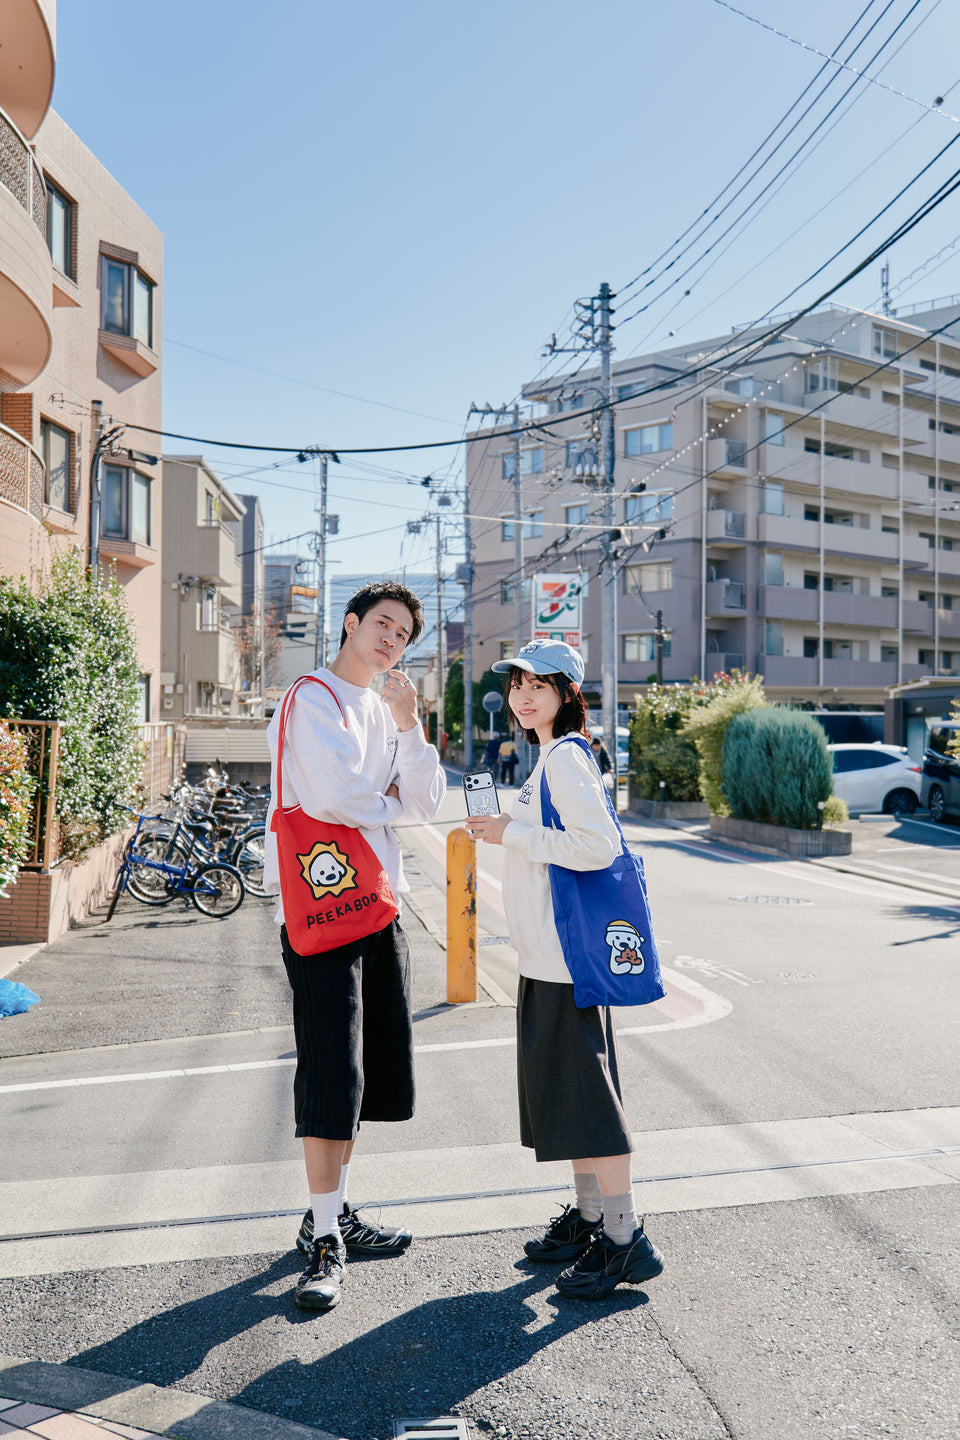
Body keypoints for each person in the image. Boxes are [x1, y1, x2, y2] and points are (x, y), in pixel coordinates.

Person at [264, 581, 446, 1311]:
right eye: (382, 624)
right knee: (332, 1069)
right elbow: (337, 796)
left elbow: (426, 802)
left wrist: (411, 728)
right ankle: (326, 1242)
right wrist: (392, 805)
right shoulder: (311, 697)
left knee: (367, 1073)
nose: (391, 640)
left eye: (403, 634)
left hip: (378, 906)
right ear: (350, 623)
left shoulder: (384, 708)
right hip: (322, 909)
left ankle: (330, 1213)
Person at [465, 639, 664, 1300]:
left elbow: (595, 846)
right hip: (549, 959)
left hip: (564, 959)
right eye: (518, 683)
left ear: (566, 694)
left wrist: (509, 834)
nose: (524, 695)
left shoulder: (567, 758)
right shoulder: (548, 755)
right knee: (574, 1102)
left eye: (539, 685)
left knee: (591, 1103)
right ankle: (589, 1220)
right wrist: (507, 828)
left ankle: (623, 1237)